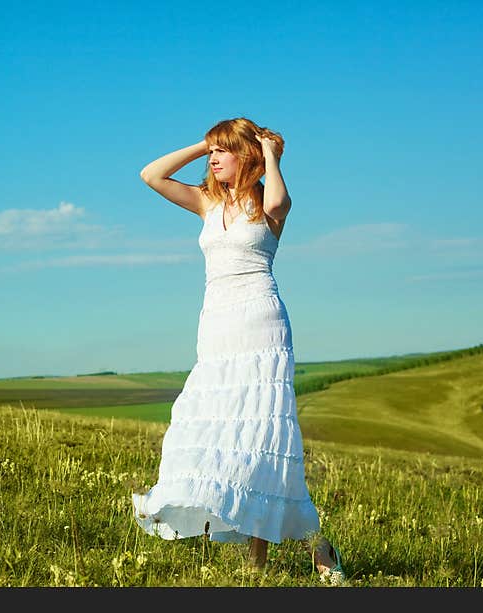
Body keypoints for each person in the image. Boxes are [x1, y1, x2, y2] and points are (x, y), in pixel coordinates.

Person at [131, 117, 346, 585]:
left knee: (261, 440)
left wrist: (271, 156)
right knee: (217, 433)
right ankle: (306, 546)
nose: (213, 159)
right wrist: (203, 143)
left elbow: (279, 201)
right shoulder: (206, 202)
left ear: (245, 156)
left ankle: (271, 559)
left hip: (261, 325)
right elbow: (151, 175)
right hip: (216, 328)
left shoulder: (265, 202)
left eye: (223, 151)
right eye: (213, 152)